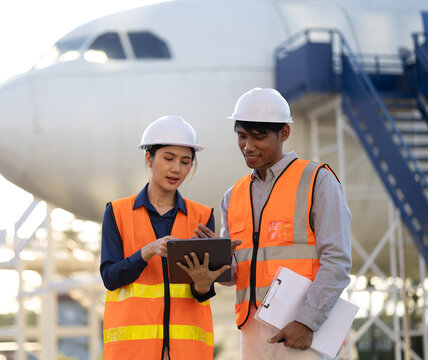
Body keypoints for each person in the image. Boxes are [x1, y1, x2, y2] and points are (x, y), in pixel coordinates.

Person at [195, 88, 352, 359]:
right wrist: (212, 262)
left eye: (259, 137)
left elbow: (337, 260)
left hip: (300, 330)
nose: (248, 146)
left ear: (284, 133)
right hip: (251, 332)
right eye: (242, 137)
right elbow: (235, 275)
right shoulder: (233, 196)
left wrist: (307, 321)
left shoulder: (317, 180)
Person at [100, 115, 229, 360]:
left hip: (187, 351)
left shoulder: (202, 216)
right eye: (168, 158)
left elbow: (201, 292)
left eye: (186, 161)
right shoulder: (116, 213)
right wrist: (146, 252)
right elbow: (109, 277)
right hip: (133, 352)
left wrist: (203, 283)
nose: (177, 169)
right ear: (149, 158)